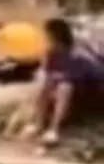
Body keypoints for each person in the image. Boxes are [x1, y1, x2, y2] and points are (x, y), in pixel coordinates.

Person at [27, 18, 104, 146]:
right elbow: (48, 73)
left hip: (94, 89)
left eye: (48, 37)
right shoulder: (51, 53)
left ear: (58, 38)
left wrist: (53, 79)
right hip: (74, 85)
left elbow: (72, 78)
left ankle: (54, 129)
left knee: (64, 87)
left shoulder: (78, 56)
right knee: (45, 84)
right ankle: (37, 123)